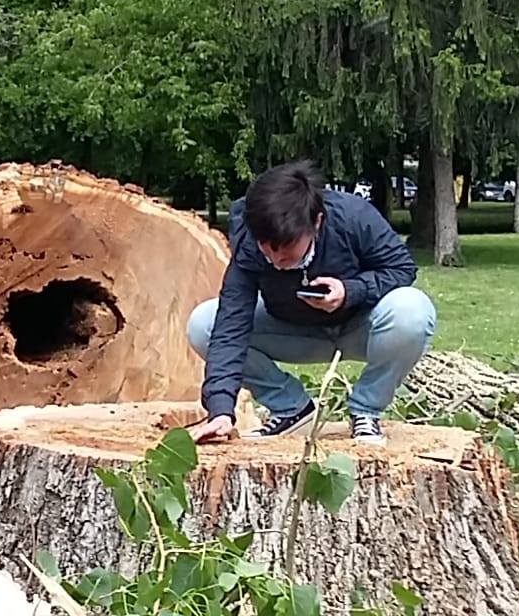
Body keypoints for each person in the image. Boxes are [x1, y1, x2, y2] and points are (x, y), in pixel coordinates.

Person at [185, 160, 437, 446]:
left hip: (361, 328)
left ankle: (366, 410)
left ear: (316, 222)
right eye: (267, 250)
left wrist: (351, 291)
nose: (277, 261)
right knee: (203, 324)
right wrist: (221, 410)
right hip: (292, 332)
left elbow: (402, 268)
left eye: (288, 251)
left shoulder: (354, 216)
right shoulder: (248, 236)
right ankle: (292, 408)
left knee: (412, 310)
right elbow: (231, 322)